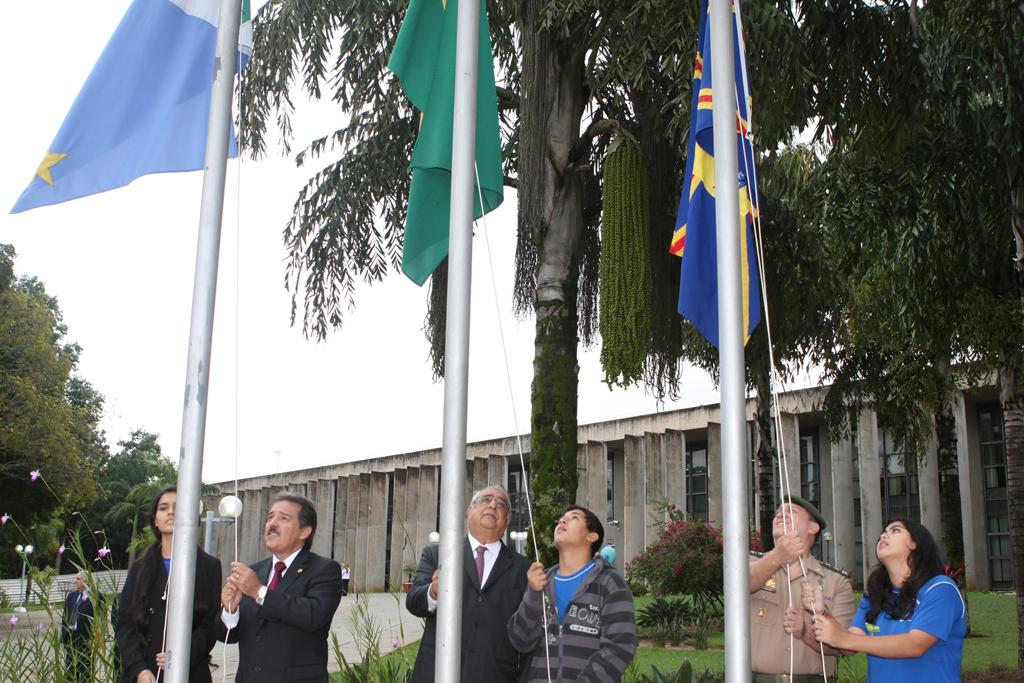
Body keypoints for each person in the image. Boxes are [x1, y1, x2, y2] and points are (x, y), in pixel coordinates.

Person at [805, 518, 967, 682]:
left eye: (895, 530)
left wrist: (845, 639)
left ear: (915, 544)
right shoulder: (874, 595)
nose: (883, 536)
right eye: (883, 533)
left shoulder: (940, 588)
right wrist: (821, 612)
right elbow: (847, 645)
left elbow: (916, 644)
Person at [407, 485, 531, 682]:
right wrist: (433, 591)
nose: (492, 505)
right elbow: (414, 602)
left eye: (501, 504)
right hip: (436, 672)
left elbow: (528, 632)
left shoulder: (524, 568)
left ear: (507, 520)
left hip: (495, 675)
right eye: (485, 500)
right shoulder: (438, 554)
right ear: (469, 510)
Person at [219, 492, 343, 683]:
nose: (272, 523)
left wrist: (259, 592)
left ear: (304, 531)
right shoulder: (254, 572)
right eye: (270, 517)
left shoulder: (324, 569)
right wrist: (231, 610)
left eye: (283, 518)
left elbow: (313, 615)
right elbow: (227, 636)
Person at [508, 505, 637, 682]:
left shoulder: (610, 583)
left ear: (592, 536)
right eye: (561, 518)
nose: (562, 520)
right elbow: (520, 642)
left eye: (574, 517)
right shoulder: (540, 582)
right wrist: (532, 595)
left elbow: (620, 646)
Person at [115, 487, 222, 683]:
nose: (171, 512)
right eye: (164, 508)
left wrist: (183, 654)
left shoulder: (210, 566)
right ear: (155, 520)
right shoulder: (139, 568)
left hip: (191, 672)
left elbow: (211, 623)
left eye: (178, 507)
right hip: (146, 673)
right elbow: (124, 623)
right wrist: (139, 669)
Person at [750, 496, 855, 682]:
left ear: (813, 528)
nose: (781, 515)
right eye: (778, 513)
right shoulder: (749, 564)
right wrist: (777, 557)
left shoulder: (836, 582)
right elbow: (737, 587)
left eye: (792, 511)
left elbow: (846, 646)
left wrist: (806, 631)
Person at [61, 571, 95, 682]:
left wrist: (92, 638)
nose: (76, 581)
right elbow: (65, 617)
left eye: (78, 579)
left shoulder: (94, 597)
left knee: (84, 669)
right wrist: (64, 636)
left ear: (85, 581)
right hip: (71, 636)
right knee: (70, 669)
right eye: (76, 578)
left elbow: (98, 620)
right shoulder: (71, 596)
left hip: (85, 638)